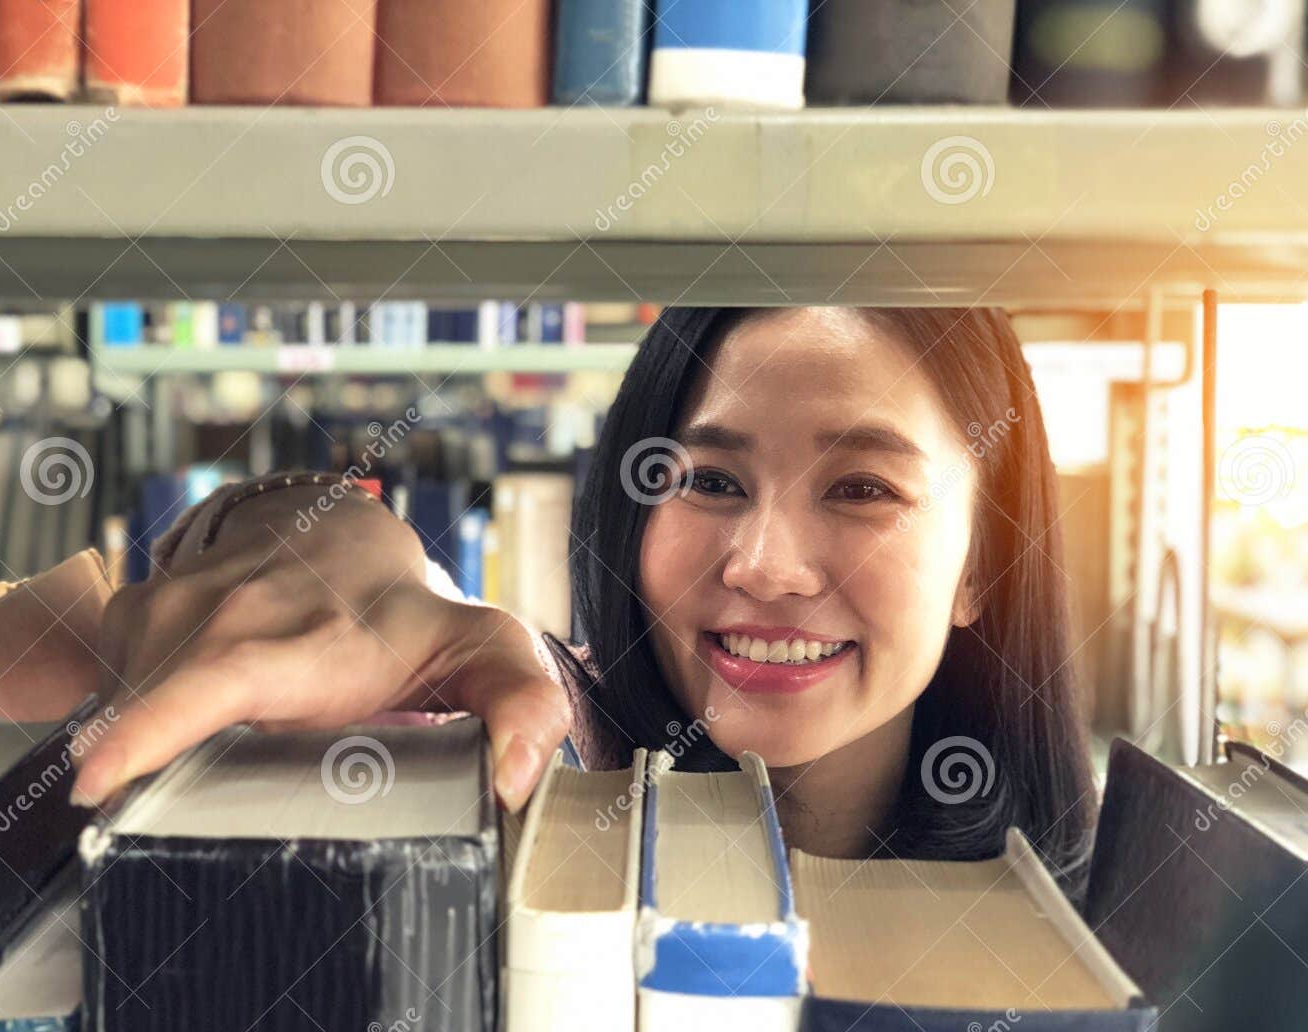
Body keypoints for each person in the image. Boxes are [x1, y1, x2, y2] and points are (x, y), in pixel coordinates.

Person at [73, 305, 1097, 895]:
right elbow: (381, 595)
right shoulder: (533, 749)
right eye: (708, 480)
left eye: (862, 489)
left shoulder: (1078, 918)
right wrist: (309, 524)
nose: (764, 566)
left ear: (981, 566)